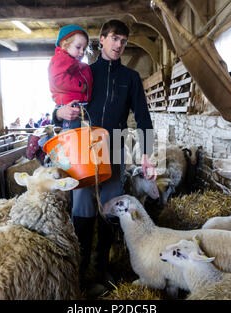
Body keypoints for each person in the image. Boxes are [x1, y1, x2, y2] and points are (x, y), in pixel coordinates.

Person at [52, 20, 156, 294]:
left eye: (123, 41)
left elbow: (144, 118)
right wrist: (57, 114)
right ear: (102, 39)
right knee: (82, 209)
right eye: (114, 39)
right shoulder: (85, 72)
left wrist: (147, 154)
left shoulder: (131, 78)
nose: (119, 45)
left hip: (113, 149)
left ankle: (102, 265)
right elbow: (61, 102)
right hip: (84, 150)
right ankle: (81, 267)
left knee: (111, 208)